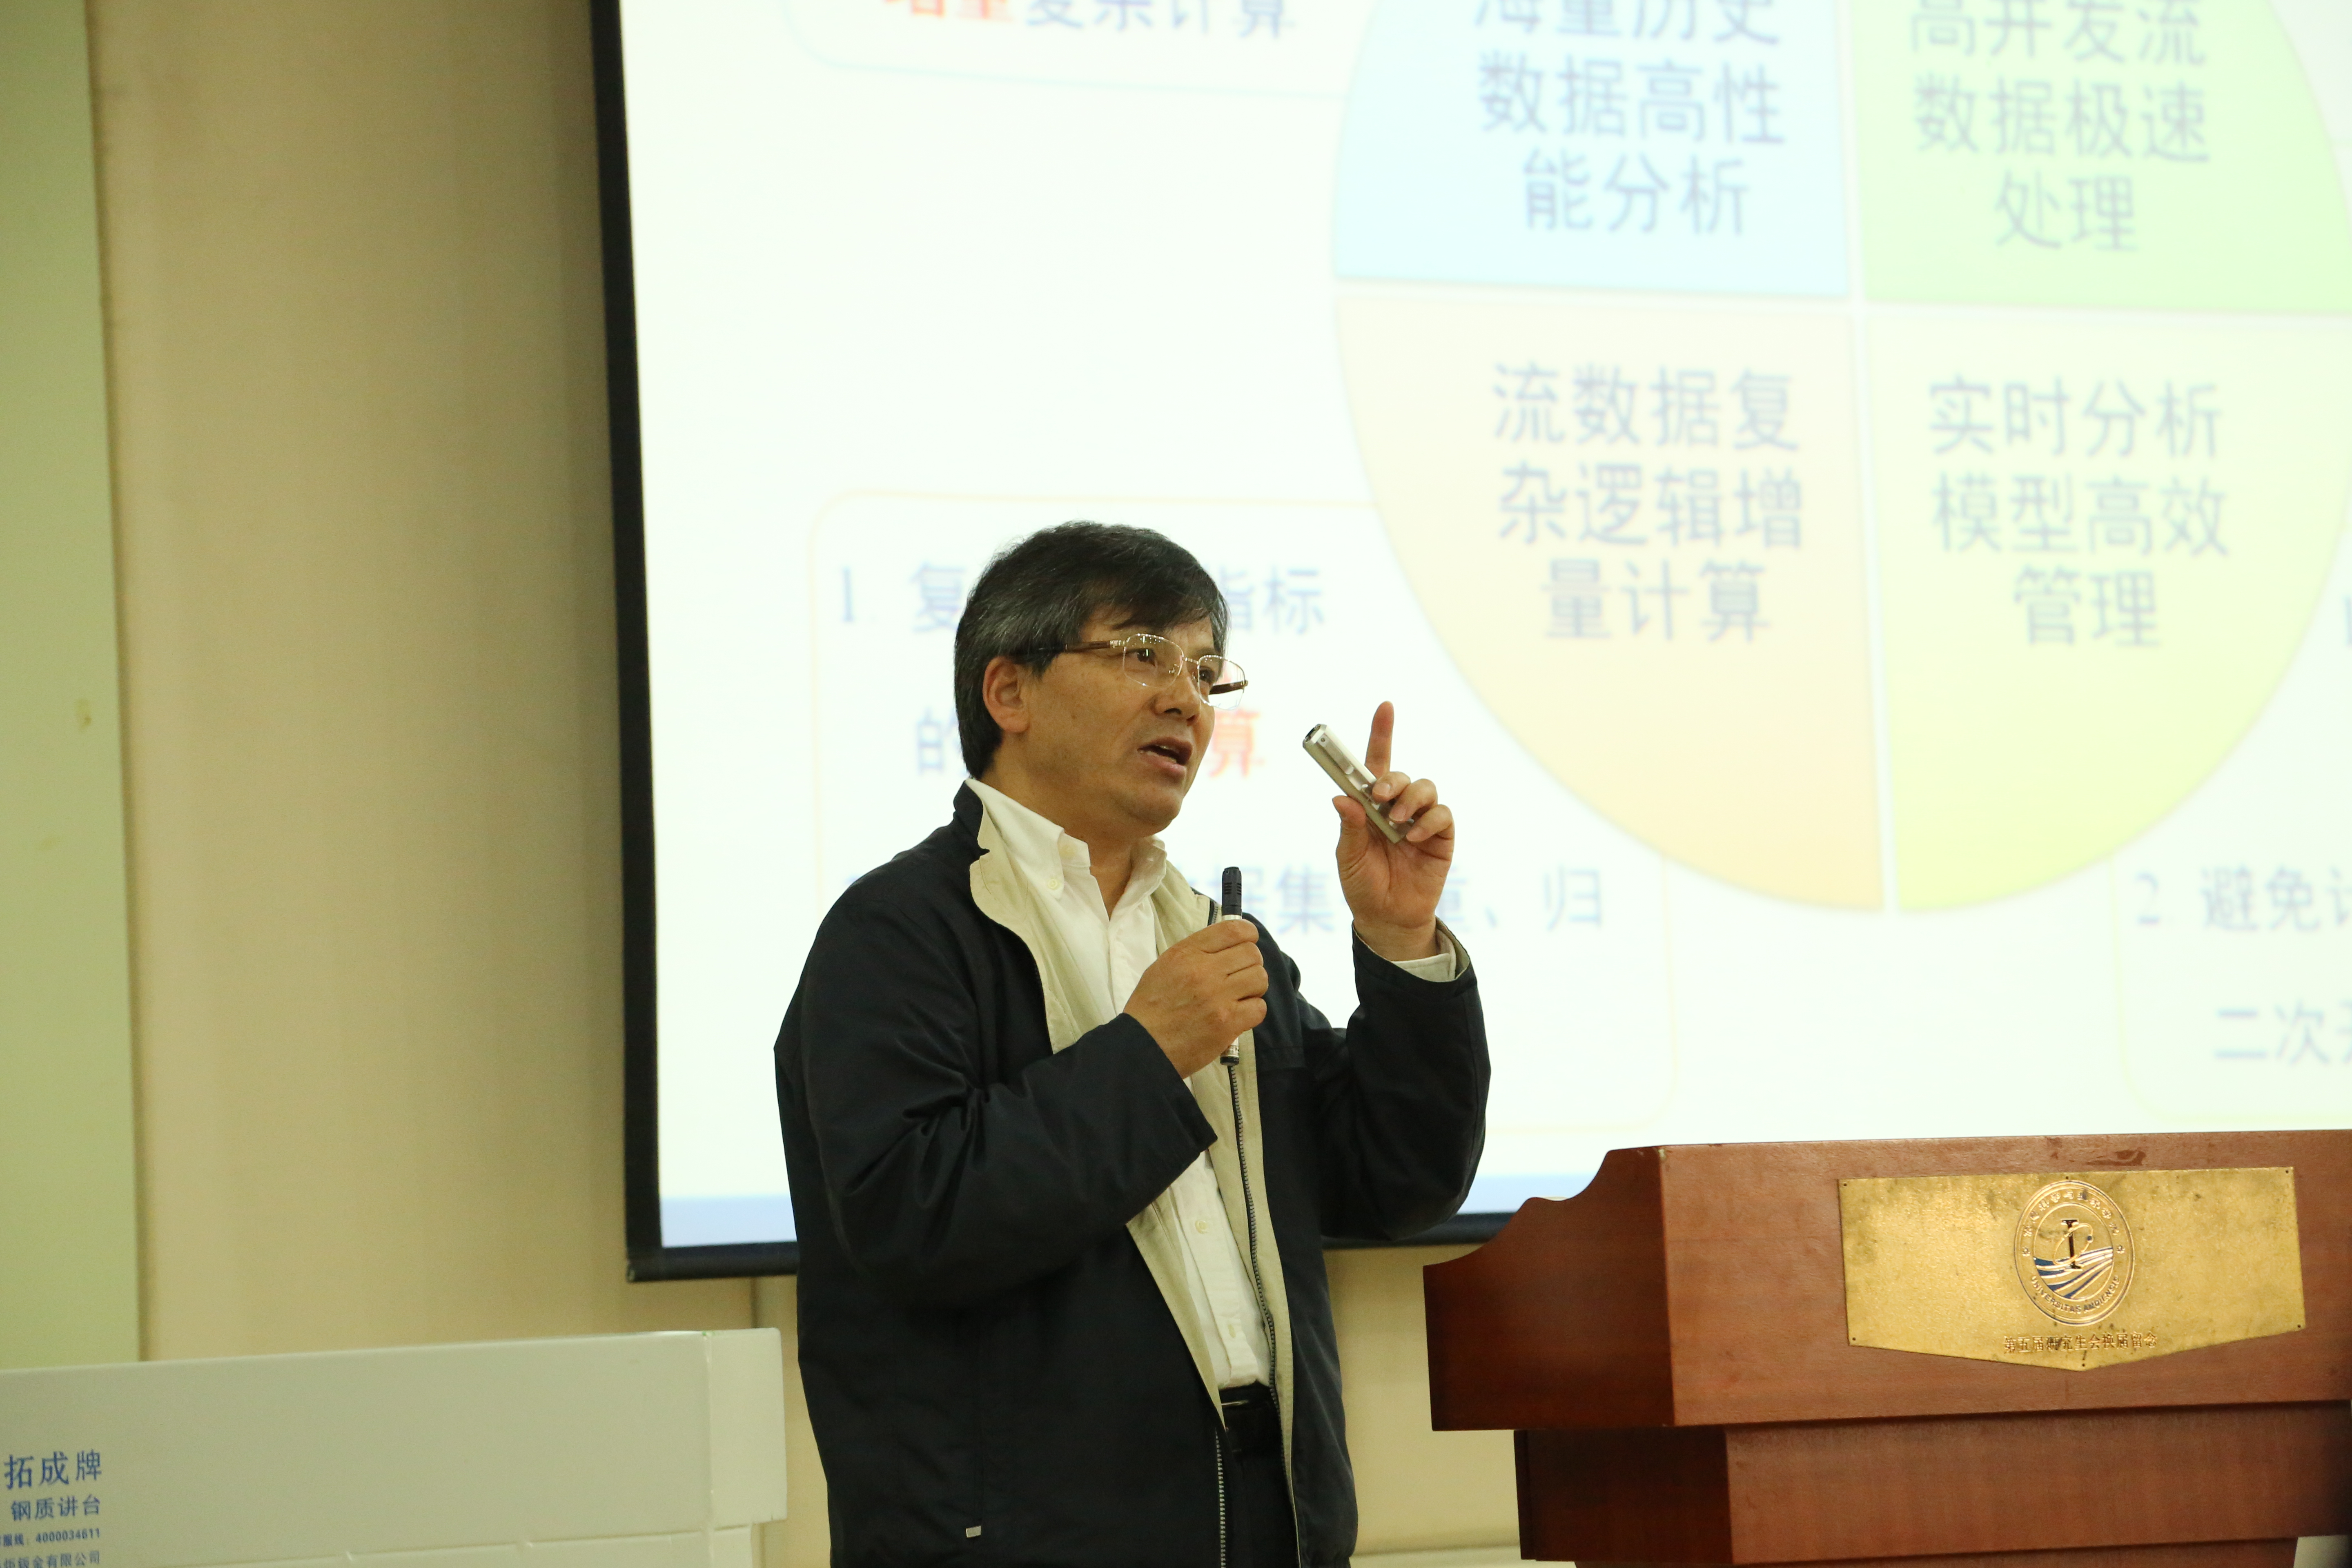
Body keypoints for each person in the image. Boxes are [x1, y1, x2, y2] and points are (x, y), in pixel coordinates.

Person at [773, 522, 1489, 1568]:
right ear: (1009, 693)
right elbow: (913, 1219)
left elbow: (1395, 1182)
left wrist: (1400, 939)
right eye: (1142, 654)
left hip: (1265, 1511)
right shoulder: (899, 932)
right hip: (1025, 1539)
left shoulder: (1209, 935)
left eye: (1205, 671)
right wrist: (1149, 1054)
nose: (1186, 701)